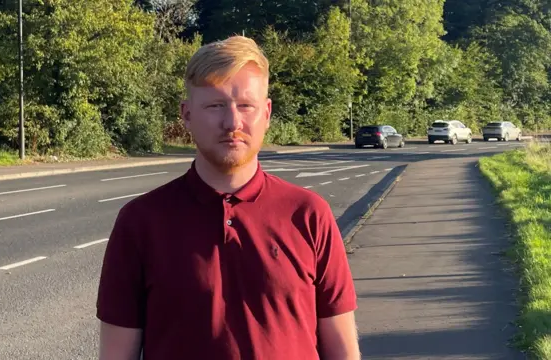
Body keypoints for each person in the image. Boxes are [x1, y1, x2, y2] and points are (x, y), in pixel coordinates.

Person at [96, 35, 360, 360]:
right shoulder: (141, 222)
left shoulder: (308, 215)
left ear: (266, 112)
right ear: (187, 114)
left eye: (245, 106)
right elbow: (116, 353)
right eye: (215, 105)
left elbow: (341, 348)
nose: (232, 122)